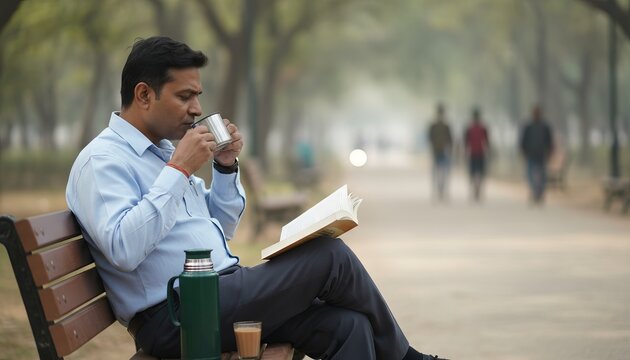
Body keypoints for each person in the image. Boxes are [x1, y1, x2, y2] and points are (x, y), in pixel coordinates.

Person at [65, 36, 447, 360]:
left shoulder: (163, 152)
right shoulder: (102, 162)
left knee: (349, 326)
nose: (197, 109)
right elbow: (123, 248)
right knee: (328, 257)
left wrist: (226, 168)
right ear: (144, 95)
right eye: (185, 96)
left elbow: (221, 229)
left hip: (220, 293)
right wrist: (179, 171)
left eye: (197, 96)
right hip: (177, 315)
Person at [519, 105, 554, 204]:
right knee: (530, 174)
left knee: (542, 174)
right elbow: (523, 141)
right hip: (531, 153)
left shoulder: (545, 126)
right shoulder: (528, 126)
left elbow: (549, 141)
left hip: (541, 154)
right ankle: (534, 190)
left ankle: (540, 192)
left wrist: (550, 152)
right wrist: (523, 151)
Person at [428, 103, 453, 201]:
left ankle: (439, 189)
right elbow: (450, 139)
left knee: (438, 171)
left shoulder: (434, 126)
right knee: (443, 171)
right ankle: (441, 189)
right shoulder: (444, 126)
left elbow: (430, 139)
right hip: (441, 151)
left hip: (438, 151)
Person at [464, 108, 490, 201]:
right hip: (480, 153)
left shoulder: (469, 128)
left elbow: (466, 142)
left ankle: (474, 190)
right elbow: (487, 141)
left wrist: (465, 152)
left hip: (472, 153)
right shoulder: (483, 128)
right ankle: (478, 189)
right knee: (481, 173)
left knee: (472, 173)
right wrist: (488, 151)